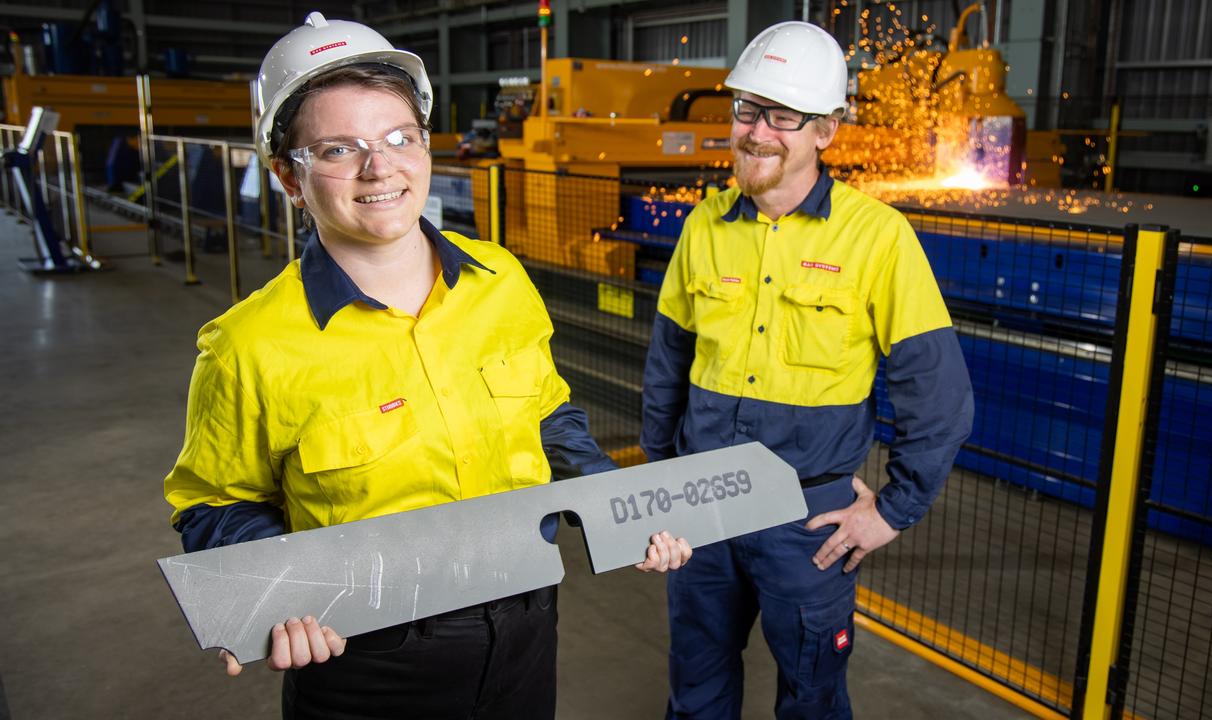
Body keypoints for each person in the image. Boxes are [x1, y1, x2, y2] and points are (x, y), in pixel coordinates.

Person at [163, 12, 691, 720]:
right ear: (290, 178)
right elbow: (213, 504)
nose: (379, 167)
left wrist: (617, 510)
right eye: (338, 149)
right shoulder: (247, 346)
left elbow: (546, 415)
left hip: (528, 625)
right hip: (369, 662)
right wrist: (281, 594)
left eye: (397, 138)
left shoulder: (500, 278)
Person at [641, 21, 974, 719]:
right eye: (746, 109)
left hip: (808, 523)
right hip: (699, 510)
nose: (757, 132)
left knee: (813, 700)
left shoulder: (877, 237)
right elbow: (668, 365)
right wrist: (659, 484)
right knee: (694, 693)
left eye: (782, 115)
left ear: (825, 130)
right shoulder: (704, 226)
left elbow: (938, 396)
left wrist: (892, 510)